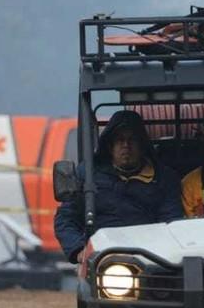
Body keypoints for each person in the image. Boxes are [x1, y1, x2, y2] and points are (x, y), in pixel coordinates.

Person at [54, 109, 183, 268]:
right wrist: (79, 250)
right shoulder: (86, 174)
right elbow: (65, 218)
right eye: (119, 140)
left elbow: (172, 223)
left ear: (142, 145)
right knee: (87, 291)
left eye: (132, 140)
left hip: (152, 260)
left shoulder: (164, 178)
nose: (126, 146)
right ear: (109, 145)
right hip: (101, 261)